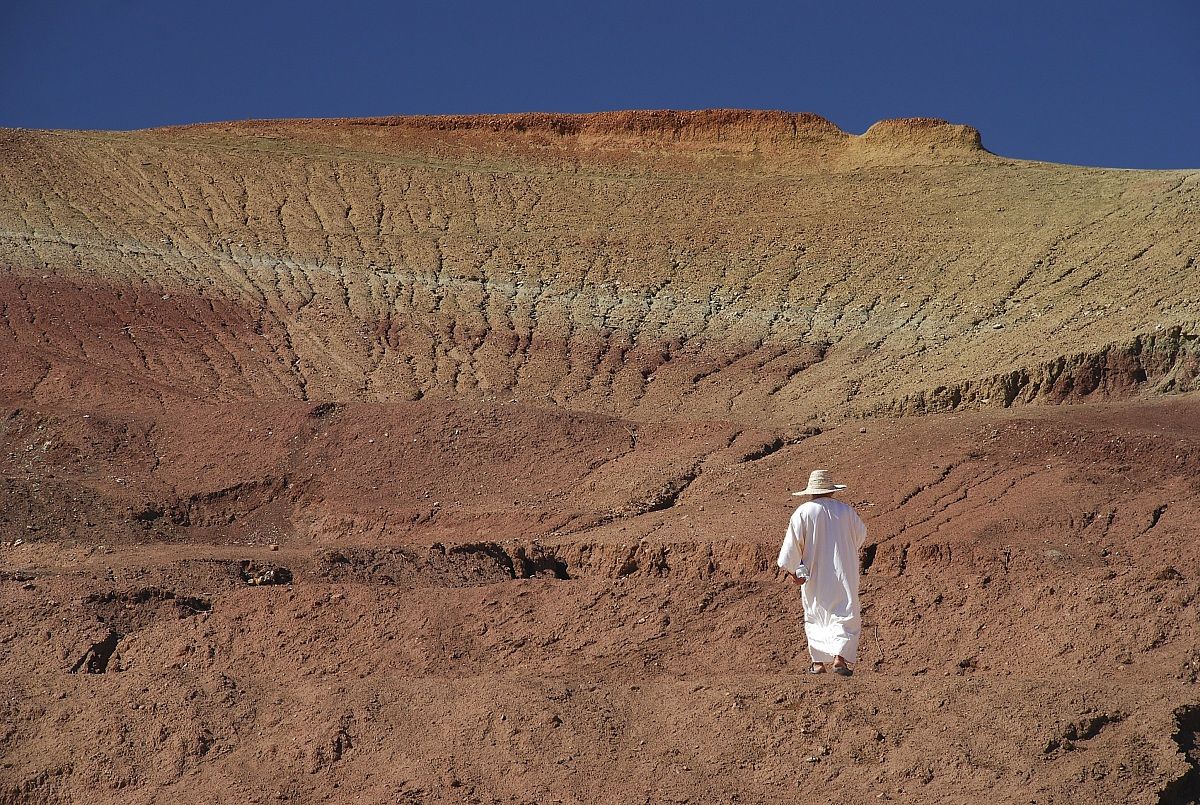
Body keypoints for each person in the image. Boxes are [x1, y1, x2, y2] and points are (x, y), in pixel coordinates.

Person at [777, 469, 867, 676]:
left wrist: (793, 571)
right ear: (832, 490)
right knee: (844, 612)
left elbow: (792, 546)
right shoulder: (846, 511)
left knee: (816, 613)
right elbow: (860, 536)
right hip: (844, 571)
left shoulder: (803, 512)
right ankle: (839, 658)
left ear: (811, 491)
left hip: (815, 572)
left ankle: (818, 663)